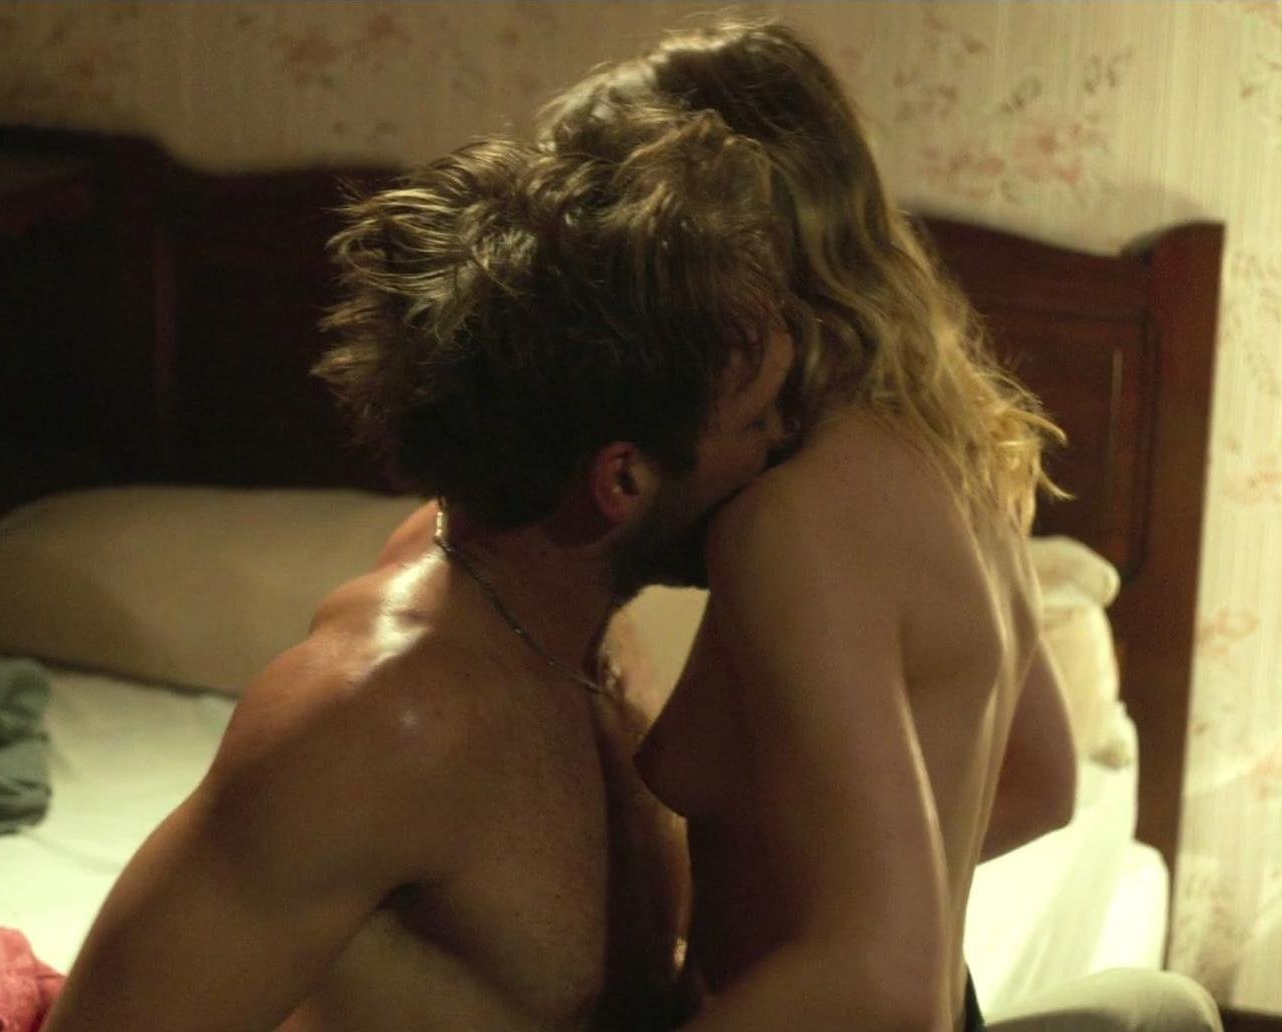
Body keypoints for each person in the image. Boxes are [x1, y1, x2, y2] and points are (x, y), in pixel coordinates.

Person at [42, 105, 794, 1032]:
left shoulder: (574, 615)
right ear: (623, 480)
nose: (785, 445)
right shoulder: (379, 720)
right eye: (758, 420)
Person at [539, 20, 1224, 1032]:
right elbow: (1041, 781)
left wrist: (845, 936)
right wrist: (884, 885)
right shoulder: (949, 448)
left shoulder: (796, 519)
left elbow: (877, 980)